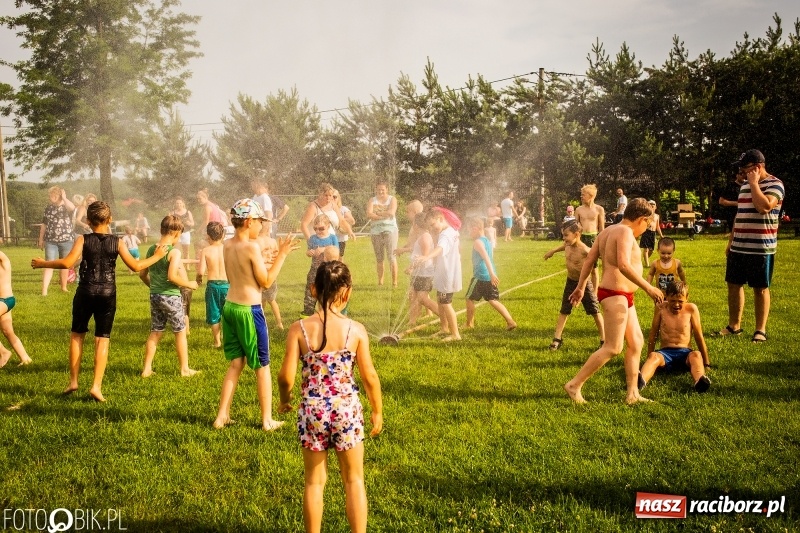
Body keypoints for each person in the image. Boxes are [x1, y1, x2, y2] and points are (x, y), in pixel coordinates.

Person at [277, 261, 383, 533]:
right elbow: (370, 376)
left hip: (313, 411)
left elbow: (285, 377)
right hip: (346, 410)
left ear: (313, 290)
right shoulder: (355, 330)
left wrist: (285, 399)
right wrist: (377, 410)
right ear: (347, 293)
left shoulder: (298, 329)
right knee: (354, 480)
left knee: (314, 481)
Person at [32, 201, 167, 401]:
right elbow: (137, 266)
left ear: (88, 221)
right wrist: (157, 256)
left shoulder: (82, 239)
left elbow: (67, 263)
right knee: (102, 338)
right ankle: (96, 386)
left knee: (77, 335)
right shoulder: (118, 241)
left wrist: (44, 263)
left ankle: (74, 381)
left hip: (85, 291)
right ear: (110, 219)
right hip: (107, 293)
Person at [564, 198, 663, 404]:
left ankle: (632, 393)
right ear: (642, 220)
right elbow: (623, 264)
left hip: (623, 295)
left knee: (636, 342)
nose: (645, 230)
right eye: (647, 225)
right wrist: (649, 287)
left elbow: (590, 260)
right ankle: (574, 385)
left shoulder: (607, 231)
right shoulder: (625, 232)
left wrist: (581, 287)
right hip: (614, 293)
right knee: (613, 347)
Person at [212, 198, 299, 431]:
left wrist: (265, 261)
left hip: (229, 308)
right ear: (249, 222)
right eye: (260, 221)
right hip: (250, 311)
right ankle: (267, 420)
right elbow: (266, 281)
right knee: (262, 365)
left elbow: (239, 277)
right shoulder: (251, 247)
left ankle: (222, 416)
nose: (262, 226)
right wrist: (281, 255)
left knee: (236, 363)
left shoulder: (227, 246)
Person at [715, 149, 785, 343]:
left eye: (745, 169)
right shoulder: (745, 184)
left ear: (758, 167)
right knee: (734, 285)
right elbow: (741, 214)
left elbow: (764, 207)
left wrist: (754, 184)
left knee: (760, 288)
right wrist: (731, 241)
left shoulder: (775, 184)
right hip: (739, 246)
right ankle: (734, 326)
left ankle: (760, 330)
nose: (742, 173)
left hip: (761, 247)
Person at [139, 215, 200, 378]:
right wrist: (190, 284)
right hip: (171, 297)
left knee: (156, 331)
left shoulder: (152, 249)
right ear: (176, 233)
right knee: (180, 332)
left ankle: (146, 369)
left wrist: (154, 287)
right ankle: (185, 369)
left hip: (155, 296)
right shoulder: (174, 252)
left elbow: (142, 274)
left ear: (161, 230)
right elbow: (173, 277)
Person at [543, 220, 604, 351]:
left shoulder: (586, 251)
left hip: (584, 285)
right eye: (563, 235)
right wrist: (552, 251)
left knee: (595, 311)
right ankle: (557, 338)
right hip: (570, 282)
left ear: (576, 234)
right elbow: (563, 246)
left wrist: (595, 291)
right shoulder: (568, 245)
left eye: (566, 235)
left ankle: (604, 339)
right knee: (564, 310)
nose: (563, 238)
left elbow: (595, 273)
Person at [640, 281, 711, 392]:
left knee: (696, 355)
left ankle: (699, 380)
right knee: (654, 356)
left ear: (687, 298)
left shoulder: (691, 309)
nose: (676, 304)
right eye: (672, 301)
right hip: (665, 353)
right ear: (666, 297)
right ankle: (641, 380)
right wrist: (649, 356)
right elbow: (653, 334)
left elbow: (699, 336)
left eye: (680, 301)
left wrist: (706, 362)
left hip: (685, 353)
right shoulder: (661, 308)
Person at [414, 208, 462, 342]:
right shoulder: (451, 231)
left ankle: (455, 334)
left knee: (446, 303)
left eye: (433, 224)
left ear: (441, 219)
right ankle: (444, 328)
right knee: (440, 301)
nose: (432, 228)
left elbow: (440, 249)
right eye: (429, 226)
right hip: (444, 273)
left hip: (447, 275)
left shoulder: (446, 235)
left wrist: (426, 257)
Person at [464, 218, 516, 330]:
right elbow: (490, 256)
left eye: (470, 231)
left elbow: (486, 257)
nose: (469, 233)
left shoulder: (478, 242)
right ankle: (510, 321)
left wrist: (491, 274)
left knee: (469, 298)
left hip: (481, 276)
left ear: (475, 228)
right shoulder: (487, 240)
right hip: (488, 274)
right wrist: (492, 273)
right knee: (492, 300)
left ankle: (469, 324)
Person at [396, 212, 438, 327]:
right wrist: (403, 250)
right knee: (412, 296)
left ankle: (444, 316)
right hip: (418, 273)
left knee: (423, 299)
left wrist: (411, 267)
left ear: (416, 225)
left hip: (425, 274)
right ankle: (412, 320)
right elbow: (415, 249)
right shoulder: (422, 236)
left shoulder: (425, 237)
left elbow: (423, 257)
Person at [38, 186, 76, 295]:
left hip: (66, 240)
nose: (50, 197)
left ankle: (63, 287)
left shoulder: (66, 207)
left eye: (52, 195)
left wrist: (64, 197)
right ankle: (44, 290)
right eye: (50, 195)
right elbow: (44, 224)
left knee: (64, 264)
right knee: (49, 264)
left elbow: (72, 208)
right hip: (50, 240)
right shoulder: (48, 208)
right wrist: (41, 239)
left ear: (57, 195)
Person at [196, 222, 229, 348]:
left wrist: (198, 279)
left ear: (208, 236)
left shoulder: (206, 250)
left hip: (213, 285)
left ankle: (217, 342)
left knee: (214, 314)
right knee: (228, 314)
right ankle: (229, 340)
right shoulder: (227, 249)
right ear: (223, 235)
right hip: (227, 285)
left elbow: (200, 271)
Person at [303, 214, 340, 316]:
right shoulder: (313, 239)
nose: (318, 231)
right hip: (315, 269)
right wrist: (309, 252)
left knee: (328, 290)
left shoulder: (332, 238)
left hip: (329, 269)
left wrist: (324, 249)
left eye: (321, 229)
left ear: (328, 226)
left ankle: (328, 311)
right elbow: (308, 251)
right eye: (315, 229)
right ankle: (308, 312)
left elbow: (336, 250)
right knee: (311, 289)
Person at [0, 251, 32, 368]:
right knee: (7, 331)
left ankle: (4, 352)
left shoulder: (4, 261)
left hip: (6, 300)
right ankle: (25, 358)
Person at [366, 181, 399, 286]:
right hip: (376, 231)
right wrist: (383, 215)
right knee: (379, 258)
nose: (380, 192)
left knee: (391, 257)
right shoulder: (372, 200)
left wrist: (377, 214)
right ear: (376, 189)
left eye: (383, 190)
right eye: (378, 189)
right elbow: (369, 214)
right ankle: (380, 281)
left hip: (390, 230)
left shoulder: (392, 199)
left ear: (387, 190)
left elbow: (391, 213)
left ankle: (394, 282)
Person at [574, 184, 606, 292]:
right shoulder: (578, 209)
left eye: (583, 195)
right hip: (582, 238)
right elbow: (575, 227)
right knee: (582, 267)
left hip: (594, 238)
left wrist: (602, 242)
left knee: (594, 268)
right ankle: (582, 290)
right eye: (581, 194)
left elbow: (601, 227)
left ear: (591, 195)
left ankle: (595, 293)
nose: (581, 197)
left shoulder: (599, 209)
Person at [255, 218, 284, 330]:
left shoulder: (255, 241)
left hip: (260, 273)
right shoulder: (272, 241)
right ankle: (279, 323)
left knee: (262, 299)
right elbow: (277, 255)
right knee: (270, 300)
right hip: (271, 273)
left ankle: (259, 320)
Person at [717, 169, 746, 234]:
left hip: (746, 214)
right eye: (741, 174)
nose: (743, 175)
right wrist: (736, 203)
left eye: (744, 173)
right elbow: (721, 201)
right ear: (737, 175)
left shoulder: (749, 186)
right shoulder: (730, 186)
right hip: (733, 214)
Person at [333, 188, 356, 259]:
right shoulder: (326, 209)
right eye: (331, 196)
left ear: (339, 198)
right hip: (328, 236)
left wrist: (340, 220)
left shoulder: (343, 209)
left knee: (339, 258)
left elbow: (352, 221)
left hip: (340, 238)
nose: (333, 199)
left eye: (335, 197)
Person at [639, 200, 664, 267]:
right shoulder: (646, 215)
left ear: (655, 207)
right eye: (650, 205)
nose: (652, 207)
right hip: (646, 232)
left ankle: (645, 259)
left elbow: (657, 226)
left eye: (653, 205)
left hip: (653, 233)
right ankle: (647, 264)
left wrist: (661, 235)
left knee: (651, 250)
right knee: (646, 249)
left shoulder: (657, 216)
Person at [170, 197, 194, 262]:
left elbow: (192, 223)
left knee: (186, 251)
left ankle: (187, 266)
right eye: (177, 203)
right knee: (177, 250)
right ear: (175, 204)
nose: (179, 205)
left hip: (185, 232)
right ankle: (178, 265)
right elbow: (169, 223)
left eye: (180, 203)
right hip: (176, 233)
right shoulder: (172, 213)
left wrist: (189, 223)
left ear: (183, 204)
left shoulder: (188, 212)